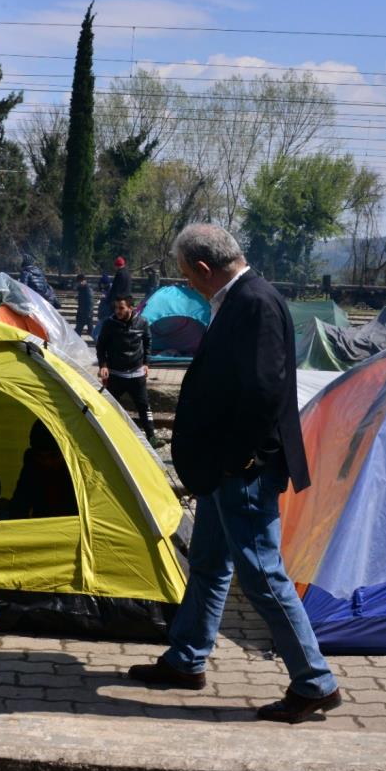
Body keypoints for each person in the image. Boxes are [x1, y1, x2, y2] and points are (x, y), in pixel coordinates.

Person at [127, 224, 340, 724]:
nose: (187, 284)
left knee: (262, 574)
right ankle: (187, 659)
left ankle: (314, 680)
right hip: (224, 469)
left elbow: (265, 393)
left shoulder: (255, 303)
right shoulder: (239, 298)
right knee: (208, 565)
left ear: (204, 268)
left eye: (186, 276)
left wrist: (240, 461)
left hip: (242, 471)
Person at [96, 293, 159, 446]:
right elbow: (101, 346)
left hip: (136, 373)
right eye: (116, 308)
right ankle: (105, 435)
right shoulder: (109, 324)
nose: (118, 311)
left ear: (131, 308)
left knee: (144, 405)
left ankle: (151, 436)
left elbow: (148, 342)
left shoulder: (142, 322)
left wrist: (146, 363)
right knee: (108, 406)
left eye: (121, 308)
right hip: (116, 373)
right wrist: (103, 365)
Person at [8, 420, 76, 519]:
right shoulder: (33, 463)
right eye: (41, 457)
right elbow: (20, 502)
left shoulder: (78, 469)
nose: (47, 462)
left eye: (53, 456)